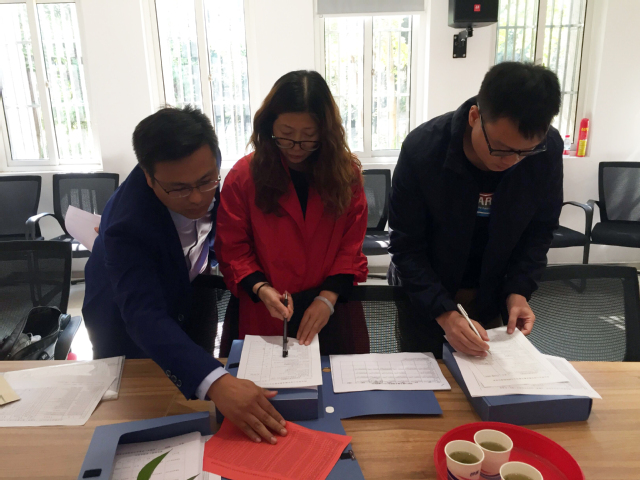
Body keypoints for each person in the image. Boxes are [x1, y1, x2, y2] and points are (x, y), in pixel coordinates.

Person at [83, 106, 287, 444]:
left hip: (189, 288)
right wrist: (217, 383)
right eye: (178, 188)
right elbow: (143, 315)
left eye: (206, 181)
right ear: (149, 177)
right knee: (141, 414)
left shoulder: (208, 170)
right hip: (124, 317)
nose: (196, 198)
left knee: (196, 391)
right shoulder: (128, 223)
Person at [388, 62, 563, 358]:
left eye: (525, 152)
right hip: (425, 294)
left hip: (492, 294)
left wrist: (519, 290)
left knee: (485, 375)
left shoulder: (547, 151)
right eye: (501, 148)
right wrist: (444, 312)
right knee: (425, 375)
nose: (511, 161)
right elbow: (406, 246)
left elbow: (540, 229)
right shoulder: (423, 150)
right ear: (474, 117)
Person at [215, 70, 368, 352]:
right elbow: (233, 249)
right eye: (285, 135)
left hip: (331, 307)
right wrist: (261, 288)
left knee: (338, 376)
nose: (296, 147)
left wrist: (327, 298)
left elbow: (351, 246)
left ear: (326, 131)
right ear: (269, 125)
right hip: (267, 307)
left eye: (309, 136)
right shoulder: (244, 176)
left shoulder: (346, 175)